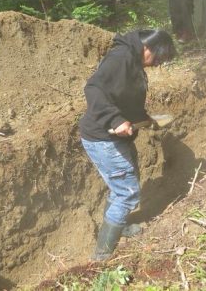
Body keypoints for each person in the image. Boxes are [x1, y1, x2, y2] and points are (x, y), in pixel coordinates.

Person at [79, 29, 177, 261]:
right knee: (127, 192)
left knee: (124, 183)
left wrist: (143, 118)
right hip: (103, 138)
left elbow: (124, 96)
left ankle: (119, 227)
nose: (156, 65)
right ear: (147, 48)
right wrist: (115, 120)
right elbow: (93, 89)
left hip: (116, 137)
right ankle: (102, 255)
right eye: (158, 59)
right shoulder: (120, 58)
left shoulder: (133, 60)